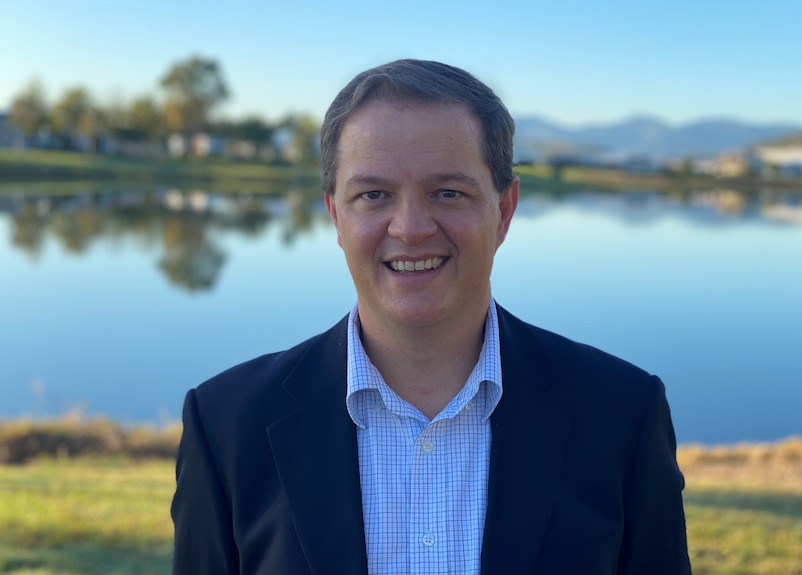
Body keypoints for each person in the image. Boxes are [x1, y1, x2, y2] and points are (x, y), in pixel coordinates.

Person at [171, 59, 691, 574]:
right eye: (374, 194)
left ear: (504, 210)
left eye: (448, 193)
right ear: (335, 214)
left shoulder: (622, 414)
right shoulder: (228, 425)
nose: (412, 227)